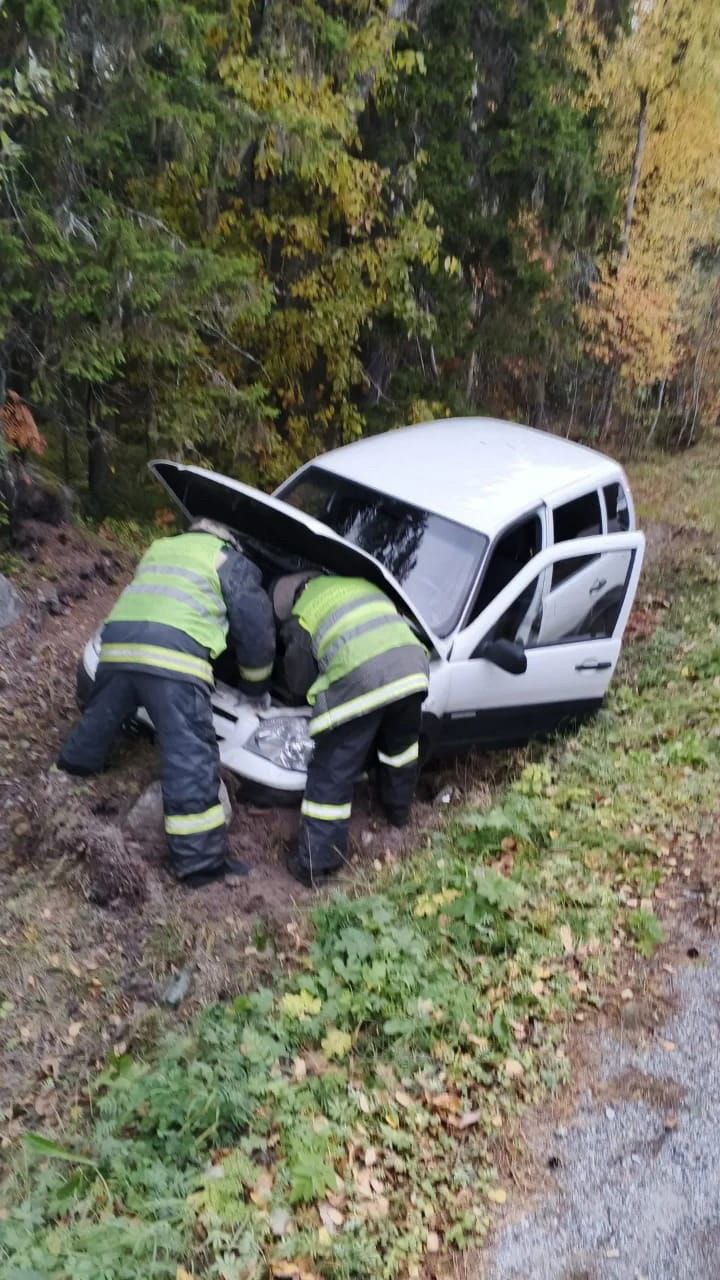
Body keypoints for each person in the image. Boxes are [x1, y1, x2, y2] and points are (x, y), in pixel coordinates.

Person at [58, 518, 275, 887]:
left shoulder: (160, 548)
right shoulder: (228, 560)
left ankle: (69, 772)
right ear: (229, 542)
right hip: (172, 658)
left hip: (118, 642)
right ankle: (200, 865)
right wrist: (255, 685)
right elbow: (255, 629)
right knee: (189, 753)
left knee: (101, 718)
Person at [272, 571, 430, 888]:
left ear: (293, 598)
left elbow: (300, 680)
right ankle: (398, 816)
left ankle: (313, 864)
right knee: (399, 752)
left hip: (361, 677)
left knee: (333, 769)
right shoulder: (363, 585)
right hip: (413, 669)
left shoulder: (304, 612)